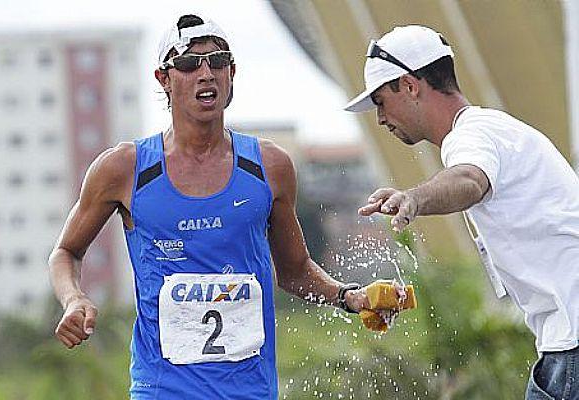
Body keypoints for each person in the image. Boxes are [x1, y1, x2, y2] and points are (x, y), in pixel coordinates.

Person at [49, 13, 383, 399]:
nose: (206, 73)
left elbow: (294, 272)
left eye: (218, 61)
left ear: (232, 72)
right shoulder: (125, 168)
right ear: (164, 79)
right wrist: (74, 299)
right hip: (163, 389)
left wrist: (349, 297)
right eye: (190, 64)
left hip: (250, 390)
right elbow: (66, 252)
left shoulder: (269, 166)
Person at [345, 24, 579, 399]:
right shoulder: (495, 128)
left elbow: (470, 180)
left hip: (572, 342)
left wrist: (414, 199)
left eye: (380, 102)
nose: (379, 119)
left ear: (409, 85)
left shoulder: (471, 136)